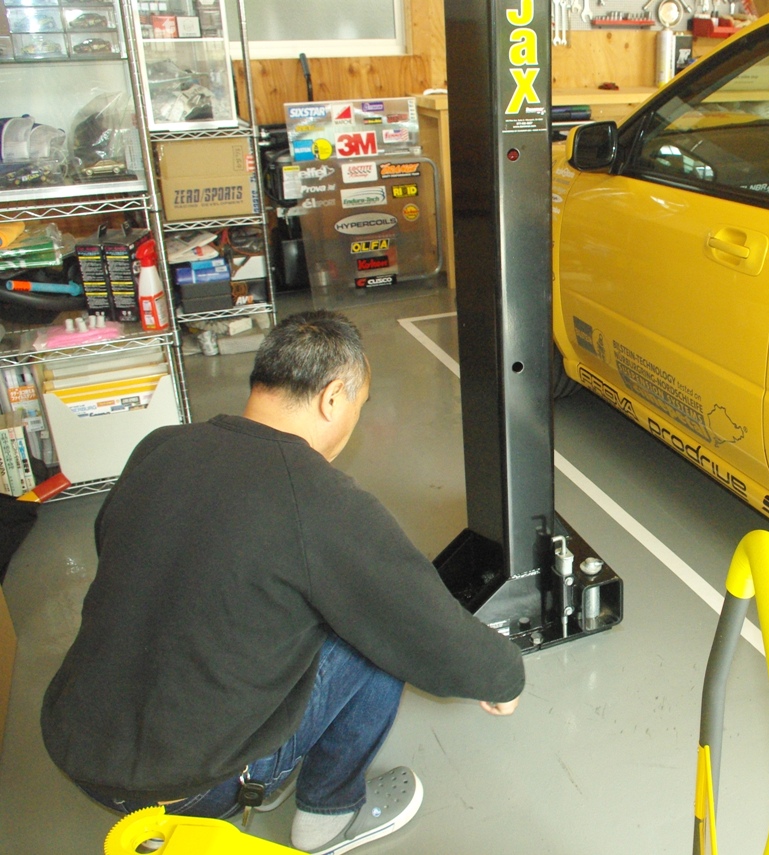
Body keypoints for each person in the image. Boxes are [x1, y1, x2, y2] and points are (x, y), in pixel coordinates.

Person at [42, 310, 524, 854]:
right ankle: (329, 817)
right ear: (333, 397)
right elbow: (423, 630)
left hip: (75, 745)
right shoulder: (322, 501)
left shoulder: (160, 445)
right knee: (374, 634)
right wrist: (503, 676)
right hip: (190, 789)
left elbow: (114, 548)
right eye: (360, 405)